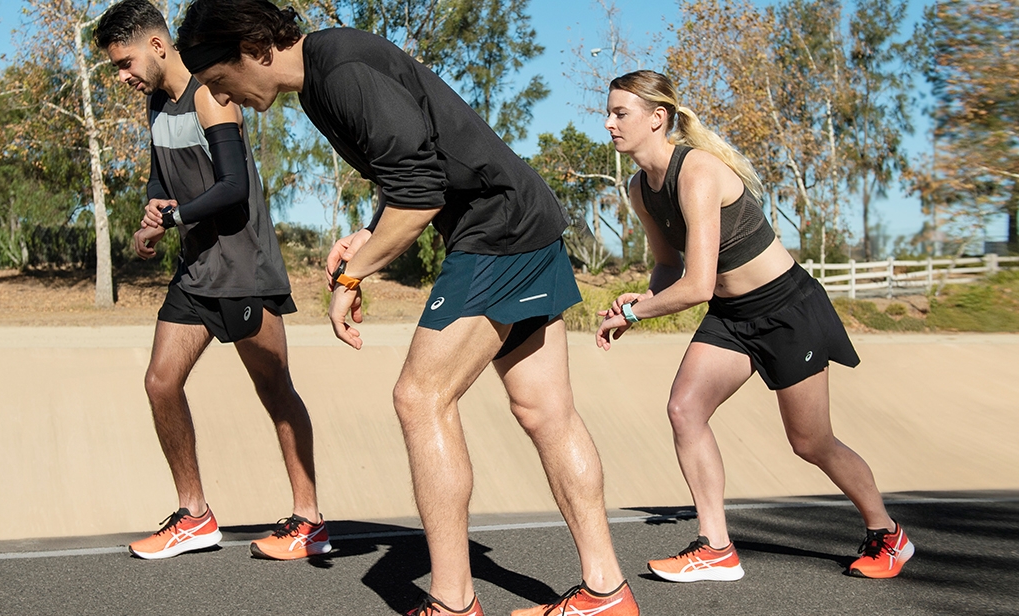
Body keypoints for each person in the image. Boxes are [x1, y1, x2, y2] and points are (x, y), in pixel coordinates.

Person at [176, 2, 639, 615]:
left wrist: (352, 274)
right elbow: (407, 173)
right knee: (544, 411)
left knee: (420, 398)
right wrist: (366, 237)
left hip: (496, 229)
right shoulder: (322, 77)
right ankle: (606, 593)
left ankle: (451, 602)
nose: (221, 95)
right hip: (521, 220)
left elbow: (420, 195)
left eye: (217, 80)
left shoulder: (339, 71)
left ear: (254, 49)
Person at [593, 70, 913, 582]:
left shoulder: (696, 171)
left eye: (619, 113)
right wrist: (647, 298)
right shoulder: (639, 188)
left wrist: (635, 313)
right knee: (684, 409)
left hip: (788, 310)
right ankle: (715, 547)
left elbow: (696, 285)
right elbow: (670, 266)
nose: (608, 123)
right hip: (732, 316)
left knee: (811, 442)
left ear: (658, 119)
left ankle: (888, 535)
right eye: (607, 113)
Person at [93, 0, 329, 562]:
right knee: (160, 382)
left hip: (243, 268)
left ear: (156, 45)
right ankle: (194, 515)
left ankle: (310, 521)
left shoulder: (212, 91)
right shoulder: (155, 101)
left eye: (125, 62)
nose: (122, 76)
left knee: (275, 391)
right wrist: (153, 219)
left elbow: (232, 188)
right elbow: (161, 176)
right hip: (196, 270)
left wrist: (176, 216)